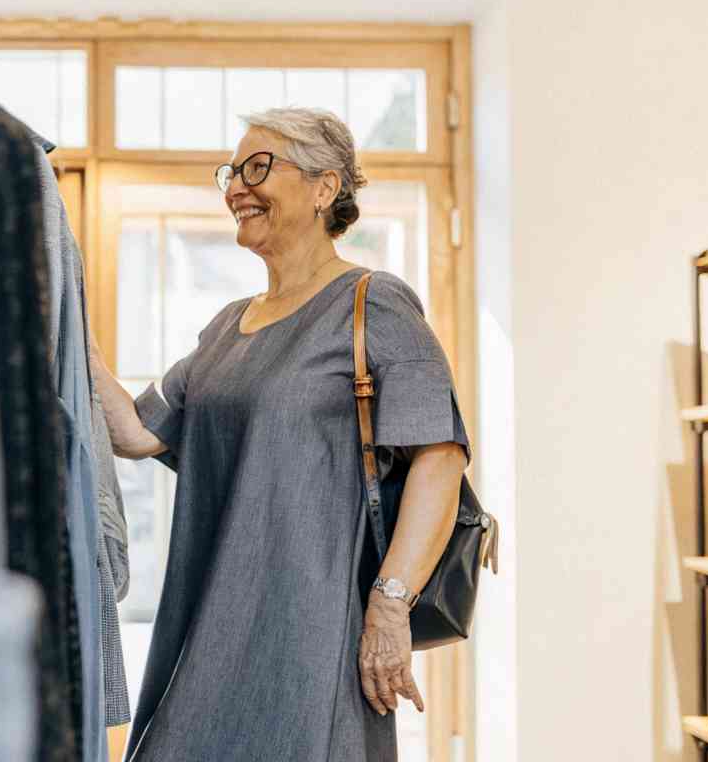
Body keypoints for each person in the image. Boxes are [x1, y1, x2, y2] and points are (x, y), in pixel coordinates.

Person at [90, 107, 471, 762]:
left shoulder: (372, 302)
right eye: (231, 173)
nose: (237, 187)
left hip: (310, 637)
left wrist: (390, 607)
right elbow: (134, 431)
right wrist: (61, 315)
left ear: (326, 187)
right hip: (207, 629)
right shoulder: (226, 328)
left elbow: (439, 457)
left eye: (258, 167)